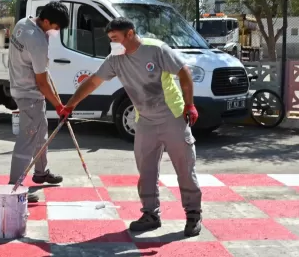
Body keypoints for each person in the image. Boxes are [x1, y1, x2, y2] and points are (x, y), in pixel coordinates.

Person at [58, 17, 203, 237]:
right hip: (144, 120)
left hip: (172, 116)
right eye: (110, 39)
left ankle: (193, 214)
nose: (112, 43)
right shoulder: (115, 59)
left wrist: (189, 105)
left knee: (185, 168)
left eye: (115, 38)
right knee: (146, 171)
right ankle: (150, 214)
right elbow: (94, 81)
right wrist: (70, 105)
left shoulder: (156, 49)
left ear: (130, 34)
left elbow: (184, 72)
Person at [8, 1, 70, 203]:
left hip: (20, 86)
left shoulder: (23, 23)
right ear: (46, 21)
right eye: (55, 27)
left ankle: (41, 172)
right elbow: (42, 82)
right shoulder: (37, 41)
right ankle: (15, 185)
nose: (56, 32)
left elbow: (41, 71)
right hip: (29, 94)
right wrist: (59, 106)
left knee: (41, 132)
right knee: (27, 140)